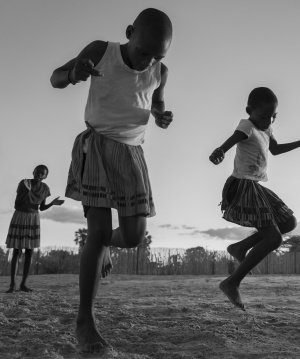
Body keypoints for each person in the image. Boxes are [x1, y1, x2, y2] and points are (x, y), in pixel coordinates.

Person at [50, 8, 174, 353]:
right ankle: (84, 321)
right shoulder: (101, 50)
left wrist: (160, 115)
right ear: (130, 31)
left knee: (134, 237)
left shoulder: (160, 71)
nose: (147, 60)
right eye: (143, 51)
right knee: (99, 231)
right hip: (98, 145)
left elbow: (156, 102)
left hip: (133, 153)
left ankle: (103, 247)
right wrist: (74, 73)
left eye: (156, 56)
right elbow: (55, 78)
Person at [209, 87, 300, 310]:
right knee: (274, 239)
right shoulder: (247, 126)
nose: (269, 120)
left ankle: (239, 248)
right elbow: (230, 141)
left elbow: (275, 150)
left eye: (273, 117)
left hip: (255, 186)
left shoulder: (266, 129)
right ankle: (232, 283)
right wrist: (219, 151)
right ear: (249, 110)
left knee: (288, 222)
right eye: (264, 116)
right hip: (242, 185)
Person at [5, 165, 64, 293]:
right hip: (20, 215)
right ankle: (12, 285)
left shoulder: (45, 189)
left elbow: (41, 208)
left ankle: (23, 284)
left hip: (33, 218)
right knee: (16, 251)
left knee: (30, 252)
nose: (39, 175)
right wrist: (26, 191)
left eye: (42, 174)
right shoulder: (24, 183)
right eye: (38, 172)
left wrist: (52, 203)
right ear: (33, 172)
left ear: (45, 176)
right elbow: (16, 204)